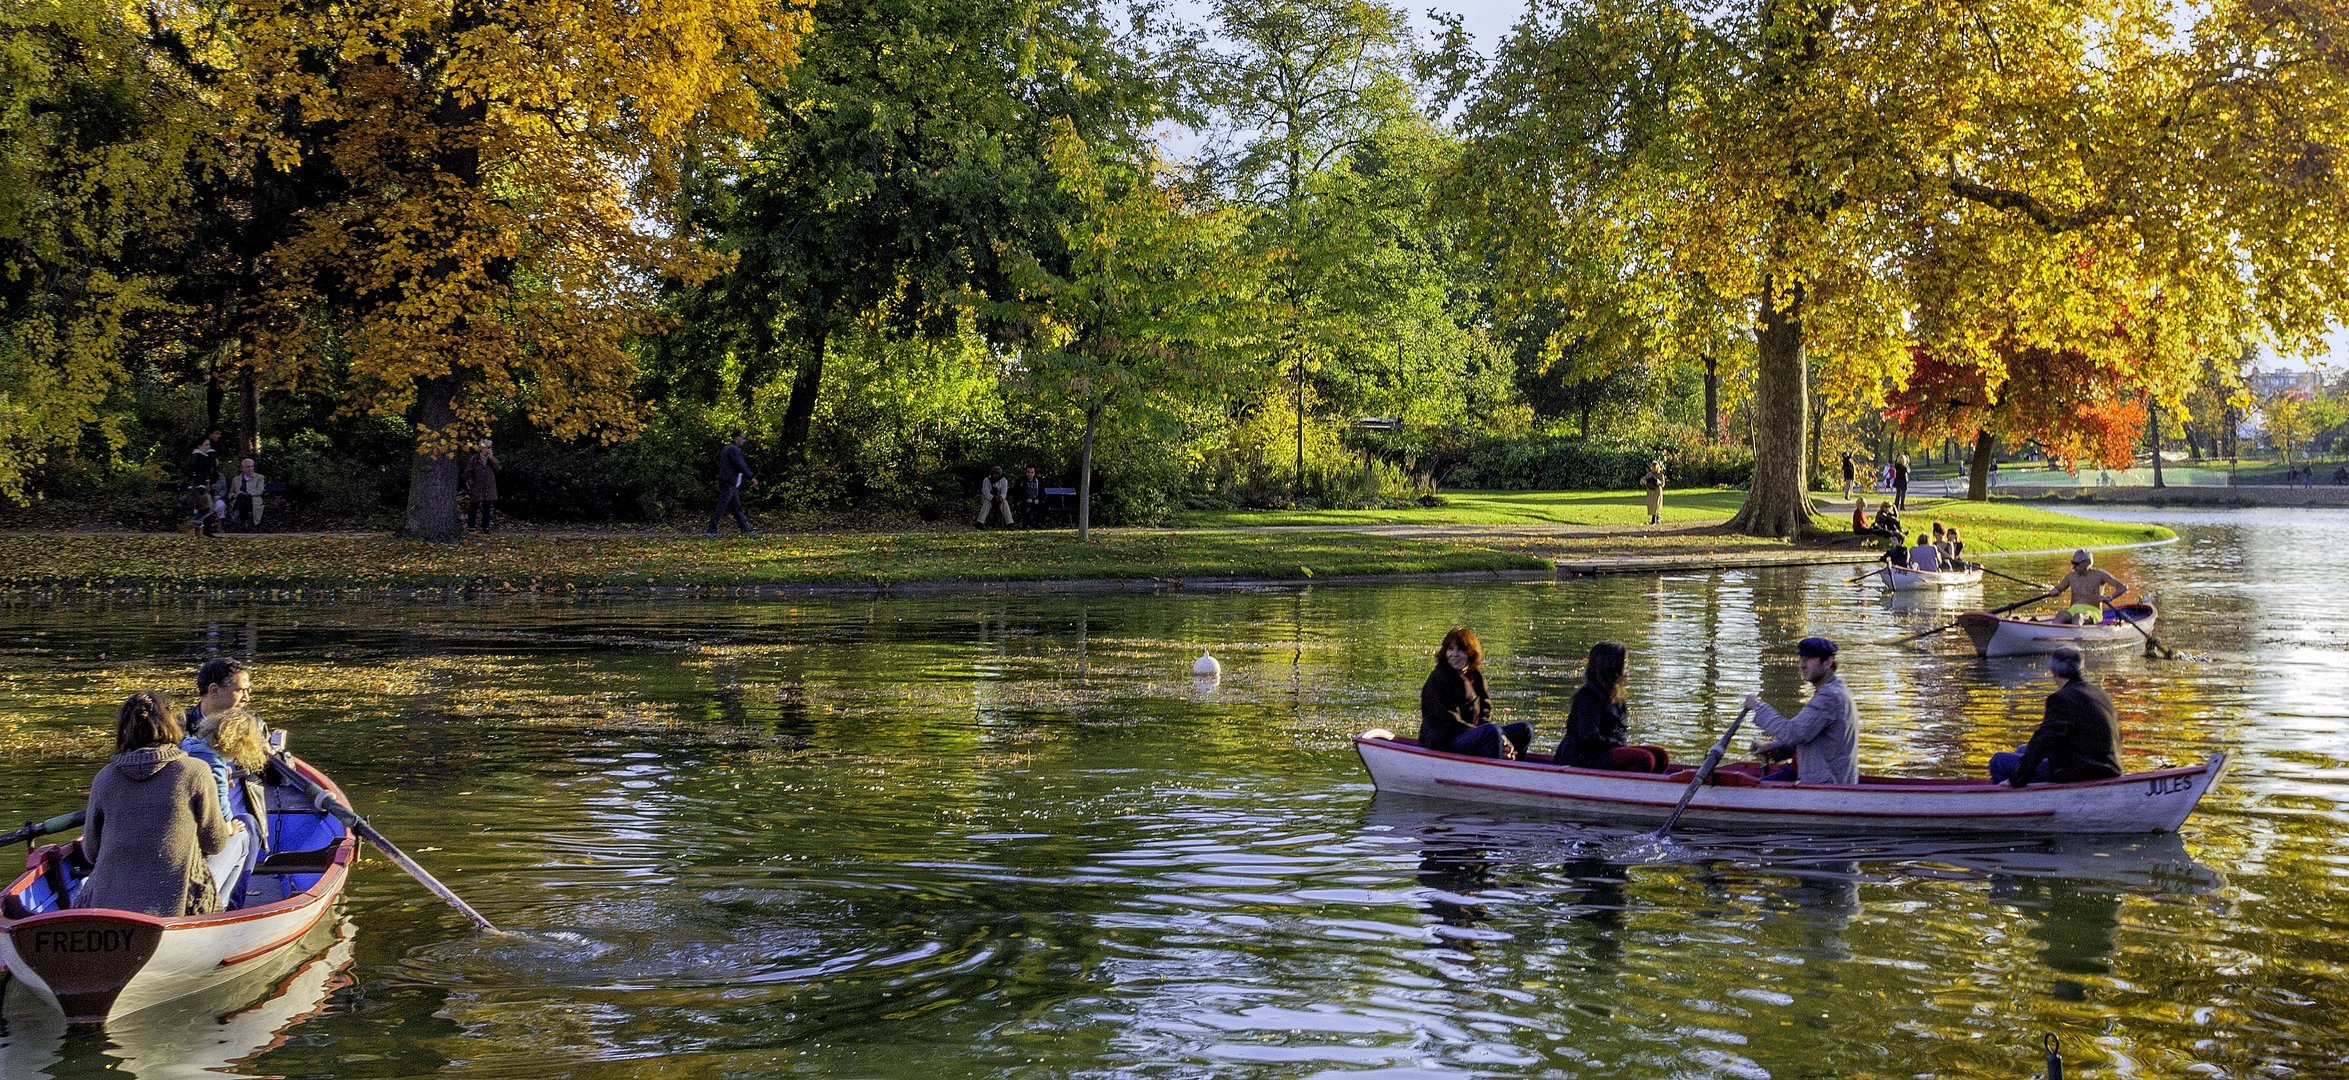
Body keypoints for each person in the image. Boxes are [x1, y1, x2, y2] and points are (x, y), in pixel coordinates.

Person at [76, 691, 239, 916]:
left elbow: (91, 852)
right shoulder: (196, 771)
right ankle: (222, 916)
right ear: (173, 726)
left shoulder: (105, 777)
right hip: (178, 907)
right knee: (242, 836)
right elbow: (215, 843)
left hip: (106, 909)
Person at [1989, 647, 2121, 787]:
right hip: (2108, 767)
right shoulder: (2101, 694)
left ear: (2053, 671)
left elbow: (2044, 740)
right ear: (2080, 668)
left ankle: (2011, 800)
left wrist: (2017, 778)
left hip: (2082, 772)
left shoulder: (2061, 699)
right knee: (2023, 750)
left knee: (1998, 761)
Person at [1742, 637, 1858, 784]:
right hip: (1803, 772)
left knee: (1749, 793)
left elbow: (1793, 733)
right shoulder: (1833, 689)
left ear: (1828, 662)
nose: (1802, 665)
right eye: (1801, 659)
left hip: (1826, 784)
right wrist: (1771, 747)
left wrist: (1758, 707)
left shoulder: (1830, 696)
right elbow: (1808, 736)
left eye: (1808, 659)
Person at [1552, 641, 1671, 773]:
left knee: (1660, 756)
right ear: (1612, 666)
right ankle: (1625, 788)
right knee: (1645, 758)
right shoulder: (1588, 696)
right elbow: (1588, 737)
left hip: (1605, 751)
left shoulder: (1615, 694)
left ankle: (1650, 787)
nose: (1628, 667)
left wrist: (1621, 746)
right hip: (1583, 756)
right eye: (1625, 663)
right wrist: (1618, 745)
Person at [1417, 627, 1532, 759]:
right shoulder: (1438, 679)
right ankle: (1493, 772)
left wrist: (1502, 740)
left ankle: (1512, 762)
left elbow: (1484, 715)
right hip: (1444, 742)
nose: (1454, 654)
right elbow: (1449, 723)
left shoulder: (1476, 677)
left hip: (1470, 736)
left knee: (1524, 730)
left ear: (1470, 653)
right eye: (1450, 649)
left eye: (1460, 649)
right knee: (1490, 732)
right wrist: (1495, 736)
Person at [182, 705, 268, 827]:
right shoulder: (215, 764)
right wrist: (229, 825)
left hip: (183, 814)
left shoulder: (187, 743)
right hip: (198, 825)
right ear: (241, 745)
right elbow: (220, 800)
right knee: (248, 824)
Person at [2044, 549, 2127, 624]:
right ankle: (2053, 636)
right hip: (2073, 610)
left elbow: (2122, 587)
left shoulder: (2099, 575)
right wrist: (2054, 591)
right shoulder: (2070, 577)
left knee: (2078, 617)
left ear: (2087, 563)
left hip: (2093, 612)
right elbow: (2059, 588)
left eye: (2076, 564)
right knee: (2060, 615)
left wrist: (2110, 597)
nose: (2073, 567)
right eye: (2072, 563)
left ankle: (2075, 639)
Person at [706, 430, 757, 536]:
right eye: (743, 438)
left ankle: (746, 529)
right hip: (729, 482)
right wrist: (751, 477)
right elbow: (740, 465)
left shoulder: (728, 449)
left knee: (736, 507)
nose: (744, 440)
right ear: (737, 438)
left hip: (729, 482)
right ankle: (711, 530)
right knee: (722, 507)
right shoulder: (733, 450)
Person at [463, 439, 500, 533]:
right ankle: (471, 527)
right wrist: (471, 484)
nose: (487, 450)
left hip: (489, 486)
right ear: (480, 448)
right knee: (473, 507)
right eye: (485, 447)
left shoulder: (491, 460)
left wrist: (492, 458)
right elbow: (468, 473)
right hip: (477, 486)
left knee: (487, 508)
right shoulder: (474, 460)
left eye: (489, 448)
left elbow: (498, 469)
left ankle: (485, 527)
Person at [226, 457, 266, 529]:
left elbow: (260, 491)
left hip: (253, 500)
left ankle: (235, 517)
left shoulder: (259, 477)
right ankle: (244, 521)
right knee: (241, 497)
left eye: (252, 466)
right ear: (243, 468)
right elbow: (231, 493)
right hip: (239, 501)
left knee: (242, 496)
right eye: (248, 467)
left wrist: (247, 493)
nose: (251, 468)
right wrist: (235, 494)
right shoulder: (236, 479)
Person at [1640, 459, 1667, 525]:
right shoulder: (1649, 474)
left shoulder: (1660, 474)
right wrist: (1644, 481)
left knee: (1657, 504)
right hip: (1651, 492)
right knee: (1651, 504)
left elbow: (1663, 484)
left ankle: (1655, 518)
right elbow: (1643, 480)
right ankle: (1656, 518)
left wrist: (1658, 482)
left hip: (1657, 492)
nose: (1654, 468)